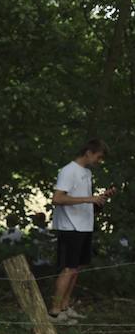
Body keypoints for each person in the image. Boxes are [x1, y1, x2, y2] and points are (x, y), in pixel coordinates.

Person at [49, 138, 115, 322]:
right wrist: (89, 199)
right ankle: (54, 312)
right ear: (89, 152)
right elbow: (57, 199)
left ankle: (65, 306)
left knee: (77, 268)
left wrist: (99, 199)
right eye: (98, 157)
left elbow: (84, 200)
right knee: (68, 268)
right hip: (70, 227)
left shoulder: (86, 172)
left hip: (84, 226)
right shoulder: (68, 171)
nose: (99, 162)